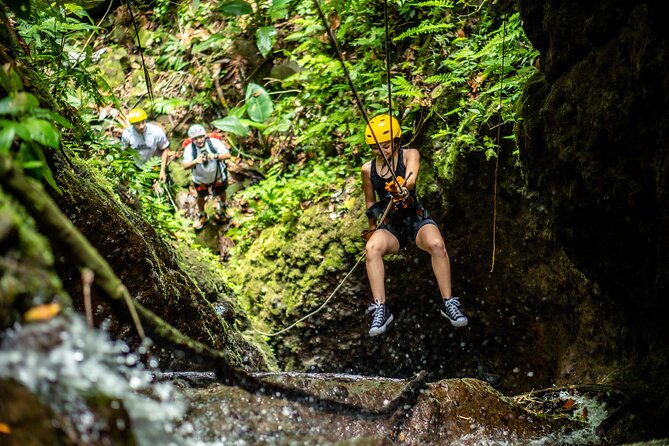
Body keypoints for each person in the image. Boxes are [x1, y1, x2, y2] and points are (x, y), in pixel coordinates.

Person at [361, 114, 468, 337]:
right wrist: (372, 228)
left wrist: (402, 186)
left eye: (387, 145)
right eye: (376, 147)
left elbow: (410, 178)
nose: (382, 151)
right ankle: (381, 308)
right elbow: (370, 200)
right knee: (371, 249)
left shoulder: (410, 154)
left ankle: (448, 303)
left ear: (397, 141)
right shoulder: (367, 169)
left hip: (415, 217)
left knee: (437, 244)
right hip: (391, 224)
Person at [182, 124, 231, 230]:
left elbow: (228, 155)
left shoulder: (213, 143)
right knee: (201, 197)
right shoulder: (189, 149)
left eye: (201, 137)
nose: (199, 140)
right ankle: (202, 214)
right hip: (200, 180)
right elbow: (185, 166)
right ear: (191, 140)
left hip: (218, 176)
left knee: (222, 192)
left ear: (205, 135)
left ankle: (223, 206)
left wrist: (216, 156)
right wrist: (195, 161)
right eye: (195, 139)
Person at [120, 108, 170, 183]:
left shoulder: (156, 132)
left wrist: (162, 170)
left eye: (143, 122)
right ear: (133, 124)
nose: (141, 126)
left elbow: (165, 149)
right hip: (138, 167)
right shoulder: (127, 134)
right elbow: (125, 151)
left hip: (156, 165)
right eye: (137, 124)